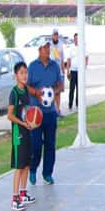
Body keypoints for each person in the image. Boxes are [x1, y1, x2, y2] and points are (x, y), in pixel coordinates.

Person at [26, 40, 63, 186]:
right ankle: (33, 168)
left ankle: (47, 173)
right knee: (35, 144)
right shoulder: (32, 66)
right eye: (44, 48)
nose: (47, 50)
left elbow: (60, 85)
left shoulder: (54, 66)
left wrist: (53, 91)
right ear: (39, 50)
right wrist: (36, 93)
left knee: (50, 144)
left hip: (50, 112)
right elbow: (26, 86)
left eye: (48, 47)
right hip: (35, 113)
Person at [8, 61, 36, 211]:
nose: (24, 75)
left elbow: (27, 111)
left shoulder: (25, 90)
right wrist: (22, 123)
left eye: (26, 72)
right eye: (21, 73)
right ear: (16, 75)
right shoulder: (14, 93)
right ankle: (15, 198)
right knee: (19, 166)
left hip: (27, 130)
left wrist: (31, 120)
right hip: (18, 133)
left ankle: (23, 193)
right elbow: (10, 116)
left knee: (26, 164)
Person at [66, 32, 88, 110]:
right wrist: (68, 71)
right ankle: (70, 104)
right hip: (73, 70)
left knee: (79, 88)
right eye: (75, 39)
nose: (76, 40)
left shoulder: (83, 47)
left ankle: (78, 103)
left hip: (80, 71)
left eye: (78, 39)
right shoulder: (71, 48)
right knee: (72, 88)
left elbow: (86, 57)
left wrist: (84, 67)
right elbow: (68, 60)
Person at [49, 28, 66, 114]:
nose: (56, 36)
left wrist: (63, 71)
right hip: (51, 72)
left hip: (59, 72)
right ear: (52, 36)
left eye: (57, 34)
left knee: (58, 92)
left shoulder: (60, 44)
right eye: (54, 35)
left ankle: (58, 110)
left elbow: (62, 59)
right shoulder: (49, 45)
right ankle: (53, 110)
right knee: (52, 92)